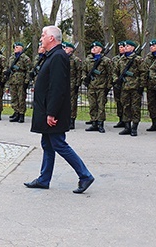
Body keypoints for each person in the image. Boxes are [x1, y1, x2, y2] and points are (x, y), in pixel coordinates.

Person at [24, 25, 95, 194]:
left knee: (58, 144)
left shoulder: (58, 56)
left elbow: (57, 87)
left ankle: (85, 175)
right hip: (47, 109)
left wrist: (51, 113)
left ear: (51, 38)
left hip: (52, 111)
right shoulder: (52, 55)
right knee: (48, 144)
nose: (41, 38)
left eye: (43, 35)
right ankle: (43, 179)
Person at [113, 40, 145, 136]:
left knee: (135, 108)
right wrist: (116, 80)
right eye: (125, 46)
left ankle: (134, 127)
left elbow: (143, 73)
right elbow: (115, 72)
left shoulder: (138, 59)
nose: (125, 47)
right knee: (125, 107)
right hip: (124, 87)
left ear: (133, 48)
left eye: (128, 46)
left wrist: (141, 86)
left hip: (135, 87)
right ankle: (127, 127)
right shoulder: (121, 60)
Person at [82, 41, 113, 133]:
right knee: (92, 105)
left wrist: (108, 86)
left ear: (100, 49)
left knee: (101, 106)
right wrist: (85, 79)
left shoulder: (106, 61)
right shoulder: (88, 60)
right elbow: (84, 71)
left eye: (96, 48)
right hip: (91, 86)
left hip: (101, 86)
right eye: (92, 48)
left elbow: (110, 74)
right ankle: (94, 123)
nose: (93, 49)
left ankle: (100, 124)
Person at [5, 42, 32, 123]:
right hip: (12, 80)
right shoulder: (11, 57)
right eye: (14, 47)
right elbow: (7, 67)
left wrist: (27, 81)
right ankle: (16, 112)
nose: (15, 48)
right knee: (14, 97)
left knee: (21, 98)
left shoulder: (25, 58)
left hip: (21, 80)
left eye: (17, 47)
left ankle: (21, 114)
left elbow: (28, 71)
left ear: (21, 48)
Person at [143, 40, 156, 132]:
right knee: (151, 104)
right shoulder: (148, 57)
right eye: (150, 46)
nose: (151, 47)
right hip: (150, 85)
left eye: (154, 45)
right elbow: (145, 71)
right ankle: (154, 123)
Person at [63, 43, 82, 129]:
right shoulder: (62, 58)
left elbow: (79, 73)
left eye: (66, 48)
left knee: (72, 103)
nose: (64, 50)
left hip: (72, 83)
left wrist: (77, 84)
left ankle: (71, 120)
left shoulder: (75, 60)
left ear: (71, 49)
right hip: (63, 83)